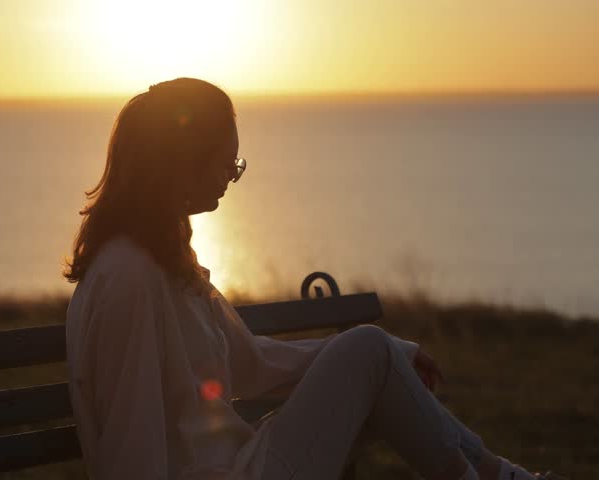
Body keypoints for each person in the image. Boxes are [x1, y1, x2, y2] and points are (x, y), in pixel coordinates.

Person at [62, 78, 562, 480]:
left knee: (372, 349)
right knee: (367, 346)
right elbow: (131, 444)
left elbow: (250, 363)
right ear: (185, 158)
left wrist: (393, 353)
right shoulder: (128, 278)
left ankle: (501, 475)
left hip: (244, 462)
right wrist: (377, 352)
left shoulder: (166, 259)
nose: (230, 177)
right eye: (228, 162)